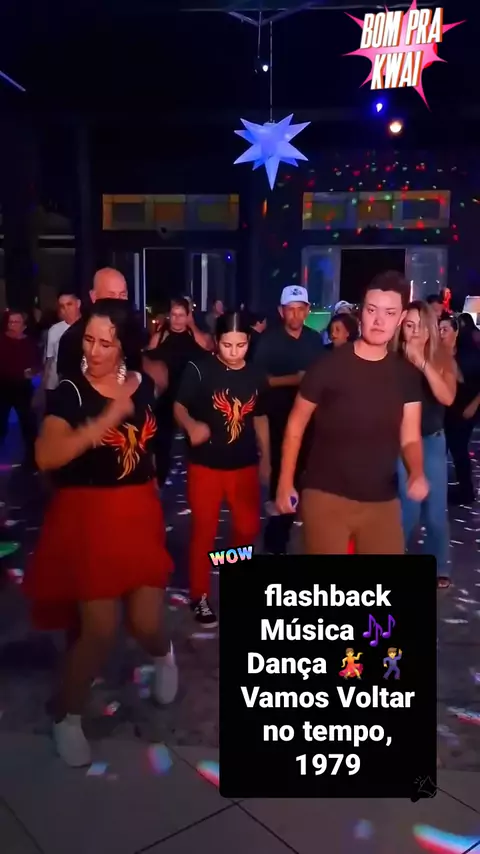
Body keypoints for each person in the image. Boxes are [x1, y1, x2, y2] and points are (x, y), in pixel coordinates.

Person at [24, 300, 177, 768]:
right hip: (89, 517)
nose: (94, 351)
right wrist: (105, 421)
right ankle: (67, 716)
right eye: (89, 340)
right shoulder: (70, 391)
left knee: (146, 622)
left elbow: (151, 440)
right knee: (99, 629)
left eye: (106, 343)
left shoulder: (144, 384)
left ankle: (164, 656)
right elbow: (47, 455)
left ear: (124, 345)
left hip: (138, 512)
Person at [276, 271, 427, 554]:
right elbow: (296, 424)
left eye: (389, 313)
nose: (379, 320)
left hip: (382, 500)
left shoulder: (405, 375)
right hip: (326, 494)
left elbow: (410, 437)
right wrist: (285, 483)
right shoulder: (327, 366)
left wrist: (416, 472)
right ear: (361, 314)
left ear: (401, 318)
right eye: (372, 310)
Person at [174, 312, 270, 627]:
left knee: (247, 528)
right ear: (217, 341)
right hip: (206, 465)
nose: (234, 352)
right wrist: (191, 425)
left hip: (244, 464)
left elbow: (260, 417)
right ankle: (199, 595)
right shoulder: (199, 369)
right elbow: (179, 406)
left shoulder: (256, 374)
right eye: (227, 345)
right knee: (204, 530)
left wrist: (267, 458)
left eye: (241, 345)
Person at [253, 285, 324, 555]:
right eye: (290, 310)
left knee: (305, 477)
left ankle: (293, 533)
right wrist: (295, 379)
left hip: (310, 422)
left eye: (299, 309)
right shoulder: (268, 341)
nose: (295, 315)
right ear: (281, 311)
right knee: (280, 479)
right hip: (278, 419)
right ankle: (275, 541)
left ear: (307, 311)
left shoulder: (314, 340)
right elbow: (259, 381)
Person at [397, 302, 456, 587]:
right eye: (409, 326)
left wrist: (422, 363)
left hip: (432, 440)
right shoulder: (392, 359)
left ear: (431, 329)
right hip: (400, 442)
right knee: (406, 509)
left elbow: (447, 397)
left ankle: (438, 565)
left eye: (421, 326)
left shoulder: (441, 356)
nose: (415, 332)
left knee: (435, 512)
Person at [56, 267, 167, 391]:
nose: (118, 301)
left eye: (122, 295)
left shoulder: (131, 332)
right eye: (111, 295)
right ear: (93, 296)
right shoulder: (72, 338)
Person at [144, 298, 211, 487]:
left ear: (188, 316)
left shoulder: (193, 334)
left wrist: (192, 325)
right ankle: (160, 481)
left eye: (181, 315)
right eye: (174, 315)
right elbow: (148, 361)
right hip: (165, 396)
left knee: (193, 443)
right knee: (162, 442)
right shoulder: (160, 336)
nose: (177, 319)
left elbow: (206, 347)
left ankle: (197, 481)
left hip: (190, 397)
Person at [442, 313, 480, 504]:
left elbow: (463, 380)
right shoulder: (438, 352)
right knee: (447, 448)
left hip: (465, 406)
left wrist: (474, 405)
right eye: (439, 329)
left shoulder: (468, 352)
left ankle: (466, 491)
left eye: (445, 329)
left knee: (458, 448)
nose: (441, 333)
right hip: (447, 407)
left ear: (456, 331)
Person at [0, 310, 40, 466]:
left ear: (24, 325)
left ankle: (31, 460)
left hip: (22, 388)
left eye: (16, 322)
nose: (12, 325)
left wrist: (33, 372)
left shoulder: (29, 343)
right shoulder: (2, 341)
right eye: (10, 322)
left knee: (28, 423)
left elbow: (37, 364)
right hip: (3, 386)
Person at [43, 291, 82, 393]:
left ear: (78, 303)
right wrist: (46, 385)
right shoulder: (54, 330)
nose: (66, 309)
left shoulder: (89, 327)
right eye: (62, 306)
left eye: (69, 304)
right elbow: (50, 360)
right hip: (60, 380)